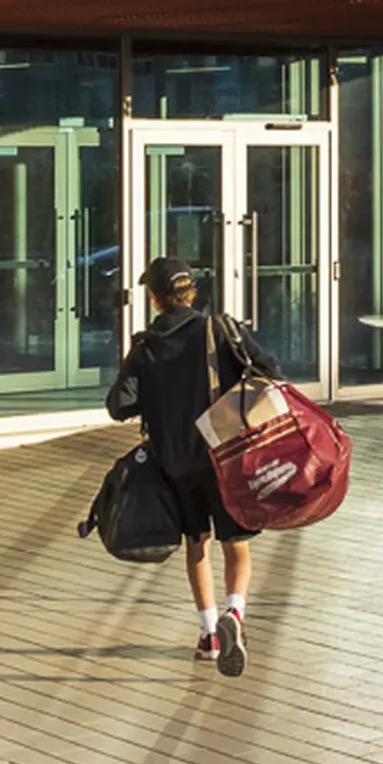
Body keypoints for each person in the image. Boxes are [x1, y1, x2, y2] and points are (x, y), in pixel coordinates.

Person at [107, 255, 275, 674]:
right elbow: (269, 370)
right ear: (191, 293)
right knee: (236, 546)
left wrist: (142, 376)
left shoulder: (146, 347)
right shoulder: (217, 330)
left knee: (196, 545)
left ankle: (209, 635)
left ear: (156, 299)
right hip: (225, 457)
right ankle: (235, 615)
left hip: (177, 466)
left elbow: (119, 406)